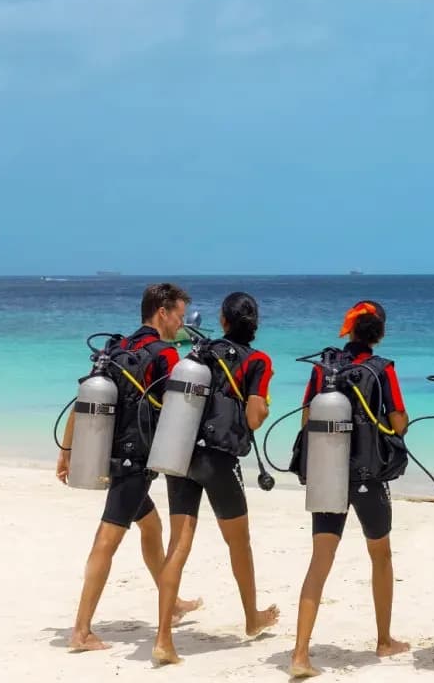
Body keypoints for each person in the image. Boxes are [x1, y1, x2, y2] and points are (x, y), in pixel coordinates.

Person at [56, 282, 202, 652]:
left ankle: (173, 601)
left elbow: (83, 398)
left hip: (107, 449)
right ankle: (81, 631)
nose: (181, 324)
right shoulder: (164, 355)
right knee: (107, 538)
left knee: (150, 525)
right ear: (162, 312)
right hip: (135, 460)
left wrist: (67, 449)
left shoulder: (116, 347)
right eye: (179, 316)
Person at [151, 291, 279, 665]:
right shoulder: (258, 360)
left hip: (182, 453)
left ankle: (163, 638)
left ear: (222, 321)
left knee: (178, 546)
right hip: (219, 460)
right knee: (239, 543)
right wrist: (263, 409)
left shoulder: (200, 353)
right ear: (254, 324)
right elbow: (254, 417)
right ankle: (252, 617)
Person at [289, 301, 412, 678]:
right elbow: (399, 422)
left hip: (328, 473)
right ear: (380, 333)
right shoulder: (382, 369)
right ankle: (384, 640)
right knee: (381, 555)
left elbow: (307, 416)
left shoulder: (322, 367)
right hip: (366, 476)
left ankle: (300, 654)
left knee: (320, 559)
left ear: (350, 329)